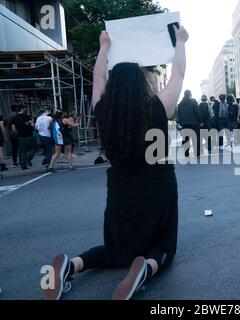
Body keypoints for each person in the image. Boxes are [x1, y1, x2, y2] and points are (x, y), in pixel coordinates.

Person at [43, 26, 189, 300]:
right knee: (165, 246)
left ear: (114, 84)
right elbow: (179, 73)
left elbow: (98, 79)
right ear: (141, 83)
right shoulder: (158, 107)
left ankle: (71, 265)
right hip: (158, 185)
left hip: (121, 187)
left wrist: (103, 48)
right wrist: (180, 42)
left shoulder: (103, 110)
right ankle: (146, 268)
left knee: (116, 250)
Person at [177, 90, 202, 157]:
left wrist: (180, 122)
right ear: (190, 95)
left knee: (186, 139)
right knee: (196, 139)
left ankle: (186, 153)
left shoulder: (180, 104)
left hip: (184, 124)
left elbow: (178, 114)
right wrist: (200, 121)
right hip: (194, 124)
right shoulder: (193, 101)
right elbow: (197, 112)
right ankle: (197, 153)